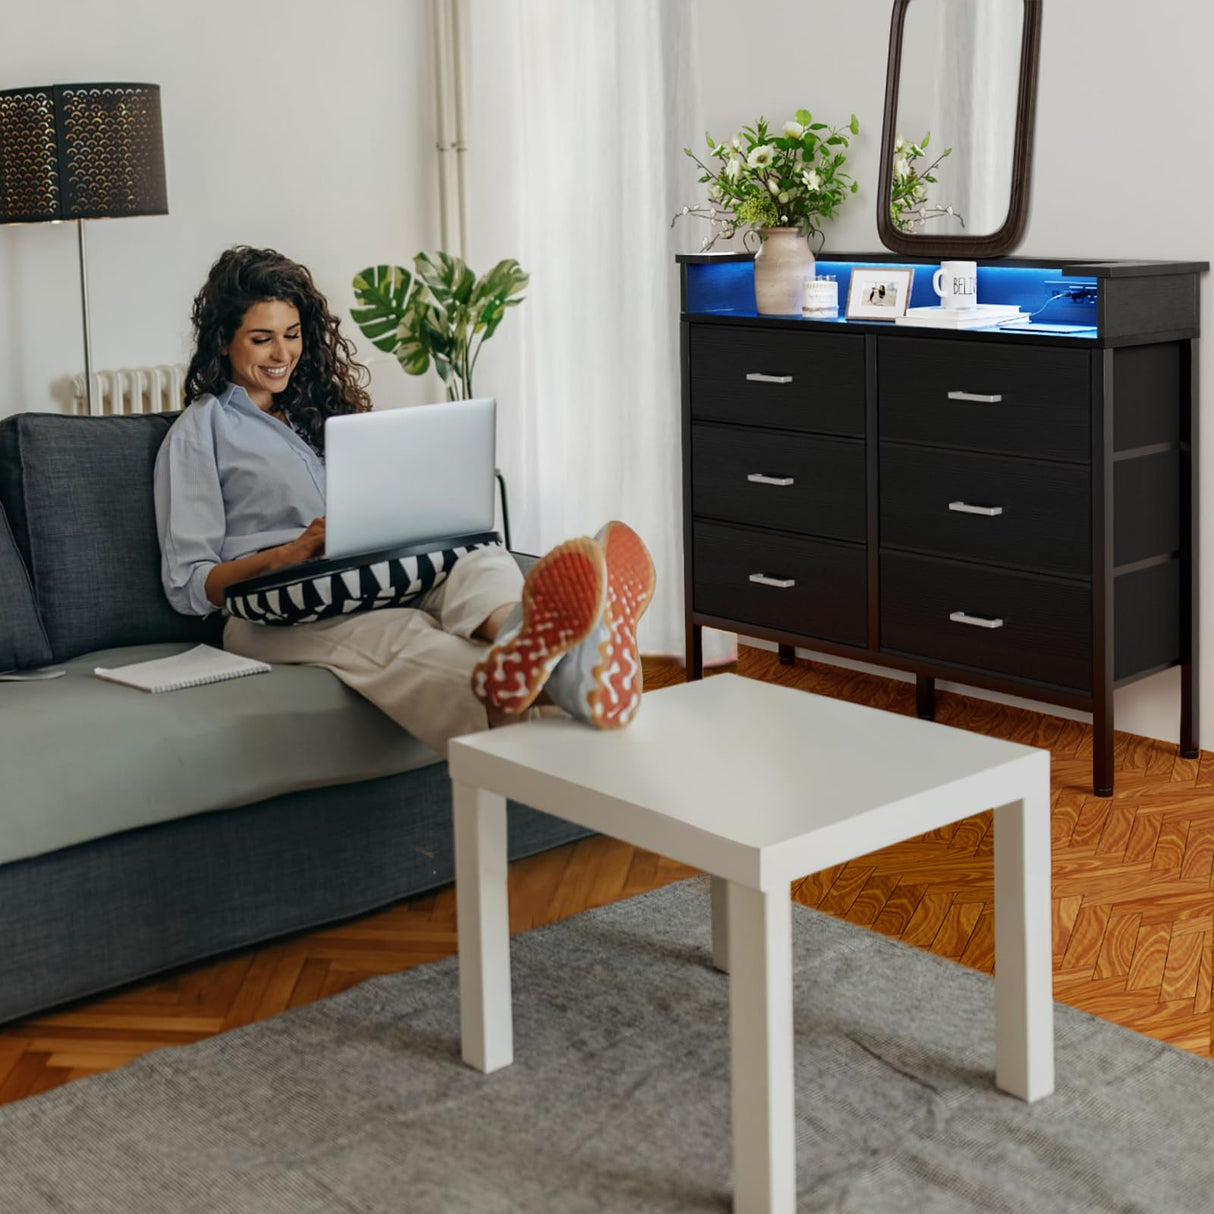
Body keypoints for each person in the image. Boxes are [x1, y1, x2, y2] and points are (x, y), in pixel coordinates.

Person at [154, 246, 654, 756]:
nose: (282, 354)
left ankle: (521, 636)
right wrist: (288, 554)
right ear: (223, 342)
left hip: (361, 574)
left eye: (292, 335)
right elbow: (189, 586)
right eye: (262, 340)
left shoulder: (321, 414)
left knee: (479, 559)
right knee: (405, 633)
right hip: (269, 612)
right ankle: (562, 674)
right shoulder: (201, 430)